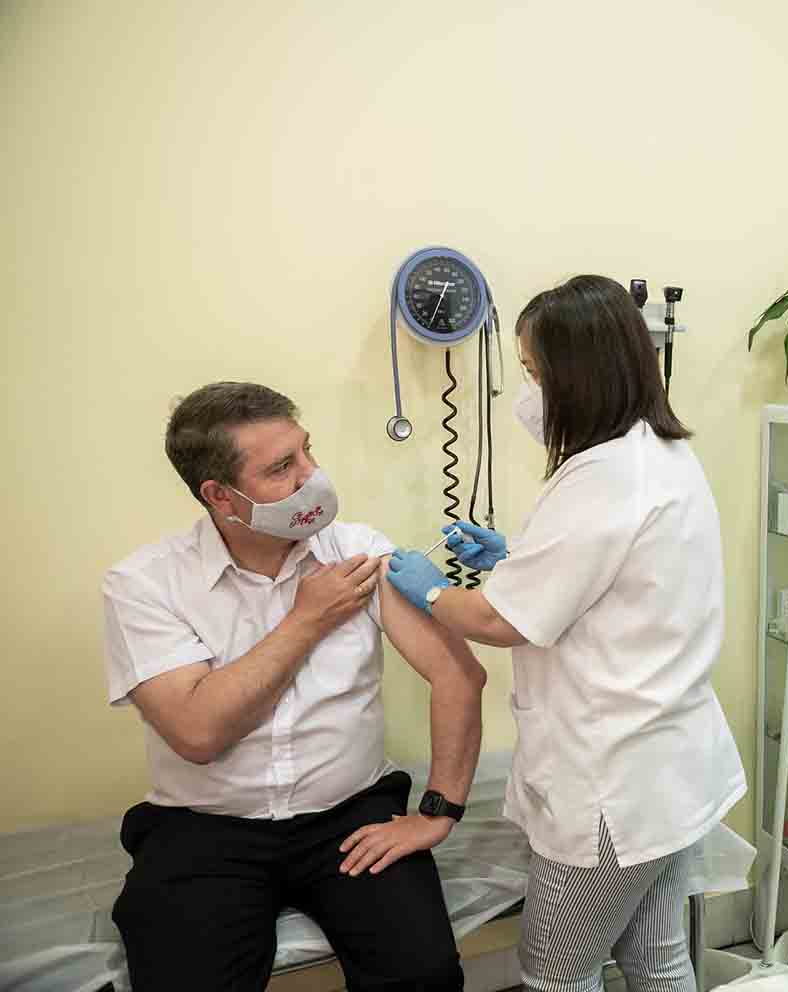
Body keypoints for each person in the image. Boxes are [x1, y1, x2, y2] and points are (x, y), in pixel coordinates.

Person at [382, 274, 747, 992]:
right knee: (655, 957)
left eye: (533, 372)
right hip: (666, 767)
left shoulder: (606, 475)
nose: (529, 390)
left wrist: (427, 586)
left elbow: (498, 620)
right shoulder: (660, 453)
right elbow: (616, 586)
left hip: (612, 781)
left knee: (555, 970)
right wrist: (516, 558)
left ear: (577, 376)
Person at [103, 382, 487, 991]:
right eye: (283, 468)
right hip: (206, 828)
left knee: (426, 976)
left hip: (349, 817)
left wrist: (437, 813)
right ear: (219, 496)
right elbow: (197, 732)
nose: (312, 478)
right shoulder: (145, 586)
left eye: (307, 452)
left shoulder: (358, 553)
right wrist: (307, 618)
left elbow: (459, 675)